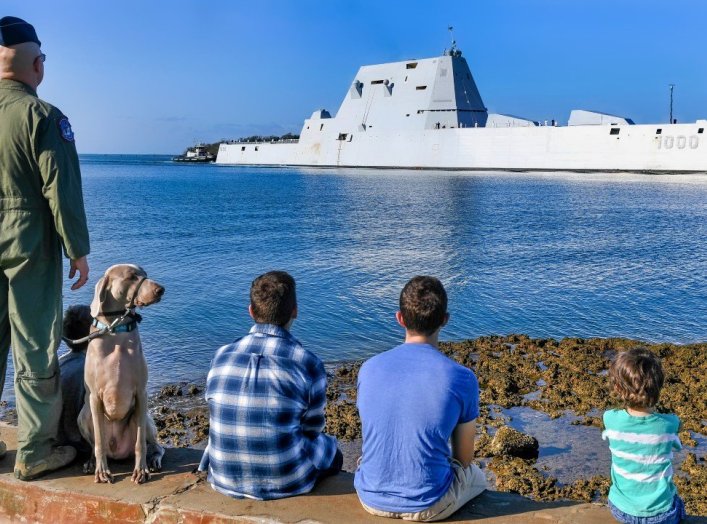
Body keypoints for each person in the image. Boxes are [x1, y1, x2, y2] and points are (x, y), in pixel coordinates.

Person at [0, 16, 90, 480]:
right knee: (35, 341)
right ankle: (35, 449)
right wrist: (77, 248)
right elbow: (62, 189)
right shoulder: (43, 116)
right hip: (27, 236)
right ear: (37, 63)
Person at [199, 271, 342, 500]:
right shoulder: (307, 362)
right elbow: (312, 429)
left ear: (251, 311)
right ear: (295, 310)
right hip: (289, 481)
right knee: (333, 452)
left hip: (223, 478)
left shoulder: (221, 355)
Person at [355, 276, 486, 521]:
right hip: (428, 505)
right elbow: (464, 458)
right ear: (445, 320)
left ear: (400, 318)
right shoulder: (461, 377)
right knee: (477, 476)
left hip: (370, 496)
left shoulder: (368, 368)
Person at [602, 348, 686, 524]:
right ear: (658, 386)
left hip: (621, 509)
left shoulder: (610, 418)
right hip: (661, 514)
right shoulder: (670, 423)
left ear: (618, 388)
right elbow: (676, 444)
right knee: (679, 505)